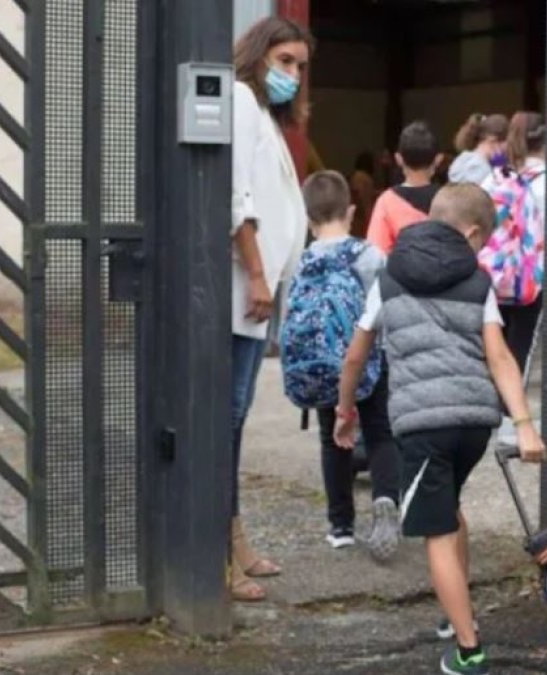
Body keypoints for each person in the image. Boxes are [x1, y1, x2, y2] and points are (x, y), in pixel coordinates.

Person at [333, 184, 546, 675]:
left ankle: (469, 651)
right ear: (471, 233)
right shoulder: (476, 281)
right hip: (474, 421)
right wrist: (524, 423)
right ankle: (458, 617)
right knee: (450, 511)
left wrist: (346, 410)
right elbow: (499, 355)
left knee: (436, 533)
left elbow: (355, 355)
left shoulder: (388, 278)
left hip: (423, 423)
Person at [228, 16, 313, 603]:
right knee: (224, 424)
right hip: (240, 292)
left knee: (234, 424)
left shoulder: (266, 117)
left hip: (258, 297)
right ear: (258, 56)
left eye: (300, 66)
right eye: (285, 61)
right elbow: (238, 199)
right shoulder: (237, 100)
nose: (293, 74)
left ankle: (234, 542)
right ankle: (217, 559)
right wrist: (258, 274)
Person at [290, 170, 402, 561]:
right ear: (351, 211)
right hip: (370, 356)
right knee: (381, 433)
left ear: (308, 218)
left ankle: (340, 527)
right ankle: (386, 498)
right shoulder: (369, 254)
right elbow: (387, 305)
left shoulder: (303, 259)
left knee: (332, 438)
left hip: (324, 366)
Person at [481, 111, 546, 377]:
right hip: (532, 279)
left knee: (494, 343)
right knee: (522, 346)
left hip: (495, 275)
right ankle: (512, 405)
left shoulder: (494, 179)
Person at [366, 122, 441, 254]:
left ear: (398, 159)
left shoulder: (386, 201)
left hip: (401, 272)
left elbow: (376, 252)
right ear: (438, 159)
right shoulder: (450, 199)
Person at [449, 113, 509, 185]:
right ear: (493, 140)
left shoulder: (462, 158)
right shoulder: (482, 171)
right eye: (507, 143)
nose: (507, 150)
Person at [349, 151, 378, 238]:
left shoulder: (356, 176)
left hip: (357, 215)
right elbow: (361, 195)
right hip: (361, 215)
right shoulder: (364, 178)